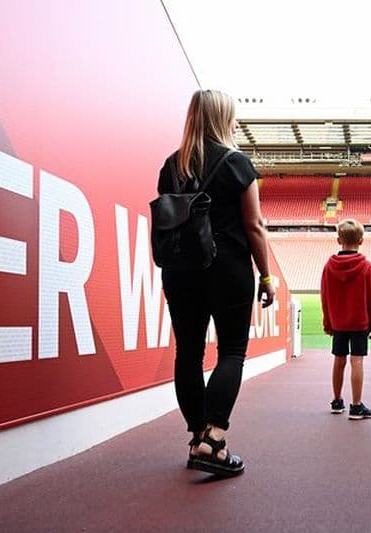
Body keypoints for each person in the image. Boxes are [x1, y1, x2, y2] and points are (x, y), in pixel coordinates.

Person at [158, 89, 275, 476]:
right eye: (234, 116)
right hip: (228, 267)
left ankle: (197, 437)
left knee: (188, 353)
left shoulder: (171, 166)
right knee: (232, 352)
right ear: (223, 118)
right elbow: (254, 226)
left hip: (180, 269)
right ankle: (214, 440)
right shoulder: (237, 163)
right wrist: (267, 276)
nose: (237, 122)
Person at [320, 219, 371, 420]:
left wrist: (328, 322)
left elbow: (325, 297)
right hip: (359, 322)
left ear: (339, 240)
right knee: (357, 361)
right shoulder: (366, 266)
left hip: (338, 323)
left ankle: (337, 401)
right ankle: (356, 406)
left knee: (339, 359)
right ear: (361, 240)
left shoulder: (329, 266)